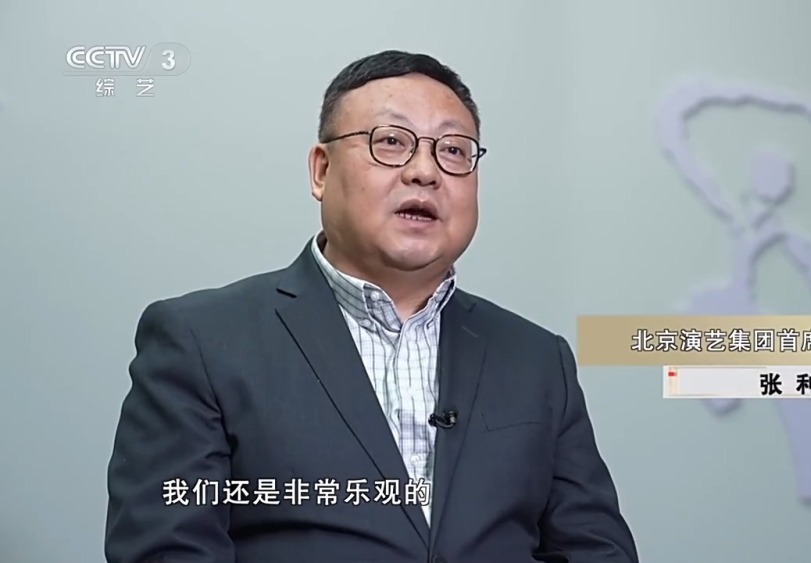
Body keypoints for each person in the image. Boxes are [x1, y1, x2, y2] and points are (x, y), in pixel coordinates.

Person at [104, 50, 639, 563]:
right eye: (391, 142)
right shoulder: (202, 341)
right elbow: (168, 550)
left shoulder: (538, 359)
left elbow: (596, 549)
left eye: (454, 150)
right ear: (321, 171)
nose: (425, 171)